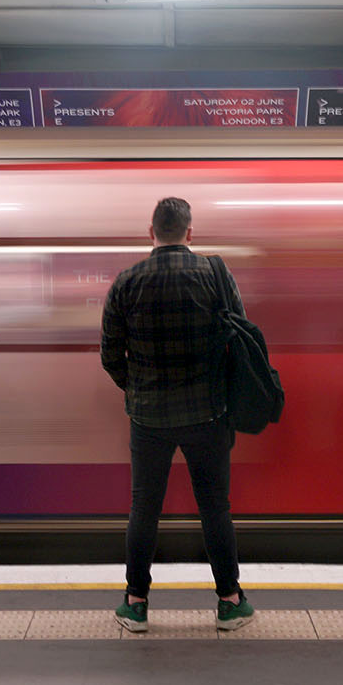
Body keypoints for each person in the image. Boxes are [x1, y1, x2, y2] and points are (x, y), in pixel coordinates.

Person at [99, 197, 253, 633]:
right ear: (189, 233)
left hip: (149, 418)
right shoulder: (215, 276)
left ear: (151, 234)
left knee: (144, 508)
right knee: (214, 508)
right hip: (207, 414)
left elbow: (110, 354)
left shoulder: (126, 282)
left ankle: (136, 604)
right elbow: (239, 338)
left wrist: (136, 387)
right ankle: (229, 601)